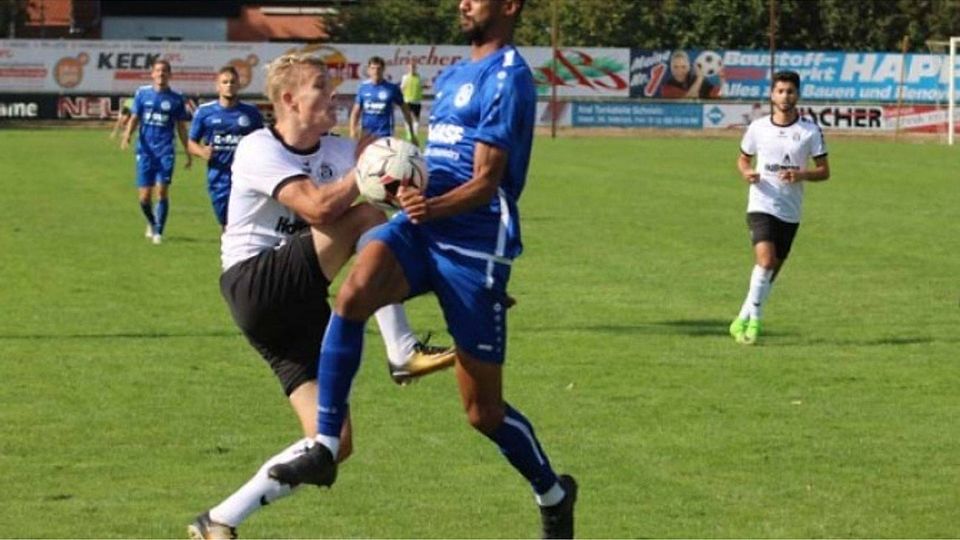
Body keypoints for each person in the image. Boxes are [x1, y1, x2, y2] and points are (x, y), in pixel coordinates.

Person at [267, 1, 578, 538]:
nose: (463, 3)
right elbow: (436, 163)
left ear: (508, 6)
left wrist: (429, 205)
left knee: (483, 412)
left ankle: (553, 493)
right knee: (354, 294)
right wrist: (401, 182)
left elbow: (486, 183)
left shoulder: (510, 77)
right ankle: (323, 445)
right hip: (422, 227)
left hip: (477, 247)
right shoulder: (455, 73)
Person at [187, 53, 455, 540]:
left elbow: (399, 199)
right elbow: (315, 207)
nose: (335, 96)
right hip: (256, 284)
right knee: (369, 219)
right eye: (322, 88)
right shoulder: (256, 147)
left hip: (301, 301)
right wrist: (367, 174)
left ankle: (219, 520)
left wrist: (412, 195)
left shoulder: (341, 149)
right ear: (289, 100)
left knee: (331, 443)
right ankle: (402, 350)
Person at [729, 70, 830, 345]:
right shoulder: (758, 128)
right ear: (772, 95)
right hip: (761, 203)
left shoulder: (809, 131)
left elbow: (824, 171)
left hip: (791, 210)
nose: (785, 96)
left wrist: (801, 175)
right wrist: (747, 171)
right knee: (765, 261)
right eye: (780, 91)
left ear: (798, 95)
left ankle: (741, 318)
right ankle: (756, 324)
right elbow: (742, 159)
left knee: (770, 273)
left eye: (790, 91)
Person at [120, 59, 193, 245]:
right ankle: (152, 222)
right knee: (144, 197)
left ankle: (159, 231)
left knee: (161, 192)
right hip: (145, 151)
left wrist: (187, 150)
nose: (161, 74)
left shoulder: (177, 98)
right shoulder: (142, 94)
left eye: (164, 71)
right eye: (158, 71)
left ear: (170, 75)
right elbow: (135, 117)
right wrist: (127, 135)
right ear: (152, 74)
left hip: (166, 151)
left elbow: (181, 127)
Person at [188, 66, 264, 230]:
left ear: (239, 85)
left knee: (240, 223)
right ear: (218, 86)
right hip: (218, 177)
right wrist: (202, 152)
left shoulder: (251, 113)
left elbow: (262, 141)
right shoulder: (205, 112)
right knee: (225, 223)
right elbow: (191, 142)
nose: (229, 85)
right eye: (225, 82)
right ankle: (231, 252)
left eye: (232, 82)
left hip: (245, 176)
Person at [349, 56, 418, 146]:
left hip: (385, 136)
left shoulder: (392, 88)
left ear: (383, 70)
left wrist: (412, 134)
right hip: (366, 135)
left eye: (379, 68)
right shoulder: (363, 88)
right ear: (368, 70)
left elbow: (405, 110)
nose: (376, 71)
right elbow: (355, 112)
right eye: (373, 68)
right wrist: (352, 131)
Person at [399, 60, 424, 142]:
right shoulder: (405, 77)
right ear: (408, 68)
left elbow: (422, 87)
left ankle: (415, 135)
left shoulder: (420, 77)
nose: (412, 69)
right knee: (407, 118)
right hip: (407, 100)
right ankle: (409, 134)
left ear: (416, 68)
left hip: (417, 101)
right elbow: (402, 88)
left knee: (416, 119)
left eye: (413, 67)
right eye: (410, 67)